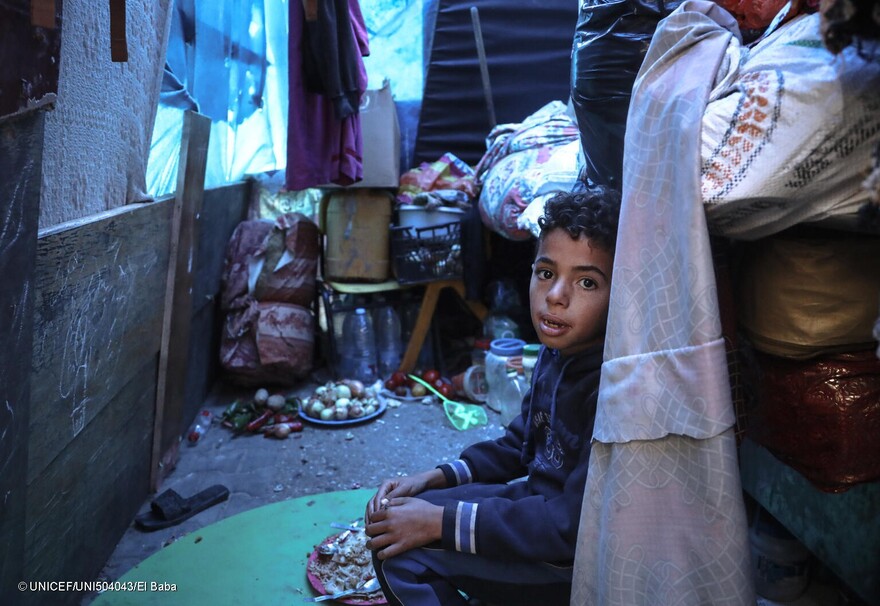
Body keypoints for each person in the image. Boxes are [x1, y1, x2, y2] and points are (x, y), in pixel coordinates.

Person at [364, 186, 621, 606]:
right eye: (546, 273)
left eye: (587, 282)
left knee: (400, 555)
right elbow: (520, 444)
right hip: (534, 511)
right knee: (397, 515)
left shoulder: (610, 389)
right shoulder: (556, 354)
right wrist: (432, 478)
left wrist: (439, 523)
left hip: (563, 558)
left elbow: (568, 526)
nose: (556, 296)